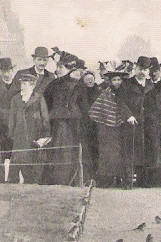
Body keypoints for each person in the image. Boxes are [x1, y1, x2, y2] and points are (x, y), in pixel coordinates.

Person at [88, 64, 137, 188]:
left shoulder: (125, 92)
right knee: (107, 154)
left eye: (119, 80)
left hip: (121, 127)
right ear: (110, 81)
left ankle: (121, 179)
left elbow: (125, 106)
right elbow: (98, 109)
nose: (117, 82)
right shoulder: (106, 93)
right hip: (106, 128)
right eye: (114, 80)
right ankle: (107, 180)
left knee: (120, 153)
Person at [43, 51, 82, 185]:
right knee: (55, 150)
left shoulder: (76, 85)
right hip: (54, 123)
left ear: (70, 69)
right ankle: (55, 179)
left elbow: (81, 106)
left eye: (61, 67)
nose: (57, 69)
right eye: (57, 66)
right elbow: (46, 102)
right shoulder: (53, 84)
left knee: (66, 151)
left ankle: (66, 180)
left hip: (69, 124)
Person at [7, 74, 50, 184]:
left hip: (33, 135)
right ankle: (12, 185)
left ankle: (31, 185)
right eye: (22, 83)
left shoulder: (39, 98)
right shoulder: (16, 99)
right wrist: (11, 133)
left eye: (25, 84)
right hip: (18, 136)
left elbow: (45, 118)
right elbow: (12, 118)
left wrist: (44, 136)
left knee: (30, 165)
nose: (23, 86)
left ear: (32, 85)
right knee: (15, 163)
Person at [120, 56, 154, 188]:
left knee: (145, 150)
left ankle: (142, 181)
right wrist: (128, 115)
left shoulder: (151, 85)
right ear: (136, 68)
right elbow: (121, 102)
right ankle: (128, 181)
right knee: (130, 150)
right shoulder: (126, 84)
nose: (142, 72)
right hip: (131, 122)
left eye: (145, 70)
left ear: (148, 71)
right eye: (140, 69)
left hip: (147, 123)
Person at [70, 70, 101, 184]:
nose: (90, 81)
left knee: (96, 152)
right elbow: (74, 105)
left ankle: (95, 177)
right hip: (83, 125)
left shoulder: (99, 91)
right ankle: (86, 178)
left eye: (91, 80)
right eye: (87, 80)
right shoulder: (79, 91)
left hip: (96, 127)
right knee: (85, 152)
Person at [0, 58, 16, 183]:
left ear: (13, 70)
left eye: (9, 71)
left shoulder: (18, 86)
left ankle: (13, 180)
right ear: (0, 72)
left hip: (14, 125)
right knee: (0, 153)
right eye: (4, 71)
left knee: (14, 152)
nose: (6, 74)